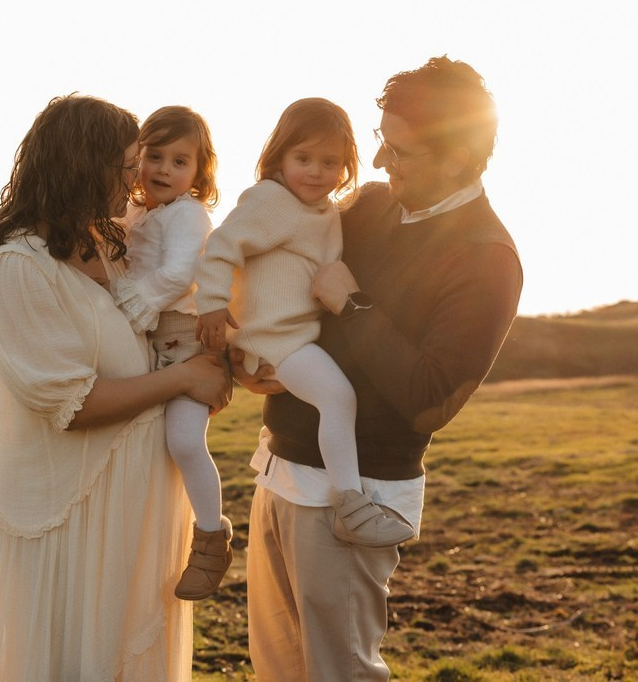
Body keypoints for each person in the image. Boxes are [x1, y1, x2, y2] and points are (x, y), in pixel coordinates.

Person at [240, 58, 524, 681]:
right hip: (279, 471)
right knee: (277, 673)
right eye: (379, 142)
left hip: (356, 500)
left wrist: (353, 303)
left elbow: (430, 399)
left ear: (457, 158)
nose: (377, 163)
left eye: (399, 151)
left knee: (338, 674)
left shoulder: (487, 257)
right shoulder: (365, 206)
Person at [0, 94, 230, 682]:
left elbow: (170, 316)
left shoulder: (112, 248)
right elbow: (72, 402)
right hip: (75, 518)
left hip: (136, 512)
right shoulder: (19, 267)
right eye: (126, 165)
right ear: (81, 167)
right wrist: (181, 378)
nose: (138, 177)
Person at [195, 98, 416, 550]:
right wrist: (213, 305)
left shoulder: (325, 211)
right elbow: (220, 248)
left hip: (294, 337)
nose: (315, 171)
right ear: (279, 157)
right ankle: (351, 505)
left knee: (336, 399)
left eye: (329, 162)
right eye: (303, 159)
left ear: (345, 166)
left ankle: (349, 501)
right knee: (338, 398)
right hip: (274, 339)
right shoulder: (272, 200)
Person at [109, 105, 233, 601]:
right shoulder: (136, 211)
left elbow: (180, 273)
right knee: (140, 440)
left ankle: (211, 536)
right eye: (153, 156)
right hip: (146, 337)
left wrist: (136, 303)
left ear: (199, 172)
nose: (163, 169)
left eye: (180, 161)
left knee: (183, 441)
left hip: (183, 339)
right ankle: (144, 540)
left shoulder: (188, 214)